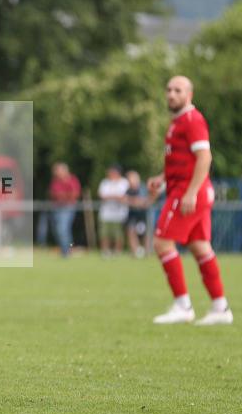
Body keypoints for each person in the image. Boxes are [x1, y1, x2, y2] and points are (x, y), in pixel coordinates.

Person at [147, 75, 232, 325]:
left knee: (162, 243)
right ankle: (220, 308)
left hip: (188, 192)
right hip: (188, 190)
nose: (172, 94)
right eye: (169, 89)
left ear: (189, 95)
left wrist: (191, 192)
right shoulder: (177, 122)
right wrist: (162, 178)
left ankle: (183, 306)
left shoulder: (193, 120)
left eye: (178, 90)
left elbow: (204, 157)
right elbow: (184, 161)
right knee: (200, 247)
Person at [49, 162, 81, 257]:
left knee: (62, 229)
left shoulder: (72, 180)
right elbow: (53, 194)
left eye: (57, 170)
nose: (56, 172)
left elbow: (75, 194)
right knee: (58, 230)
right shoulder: (55, 181)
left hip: (68, 207)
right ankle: (66, 249)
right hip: (57, 208)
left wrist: (62, 195)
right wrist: (65, 195)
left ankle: (67, 251)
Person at [97, 164, 129, 257]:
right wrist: (115, 196)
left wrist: (111, 196)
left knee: (118, 234)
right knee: (104, 233)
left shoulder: (124, 182)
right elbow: (102, 196)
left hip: (119, 214)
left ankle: (117, 252)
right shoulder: (105, 182)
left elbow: (123, 197)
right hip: (105, 213)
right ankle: (105, 251)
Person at [125, 170, 149, 258]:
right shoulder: (128, 190)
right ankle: (135, 251)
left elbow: (144, 202)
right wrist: (134, 201)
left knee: (145, 233)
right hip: (132, 214)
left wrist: (133, 201)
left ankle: (146, 252)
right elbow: (125, 200)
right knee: (131, 231)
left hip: (142, 215)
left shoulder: (142, 189)